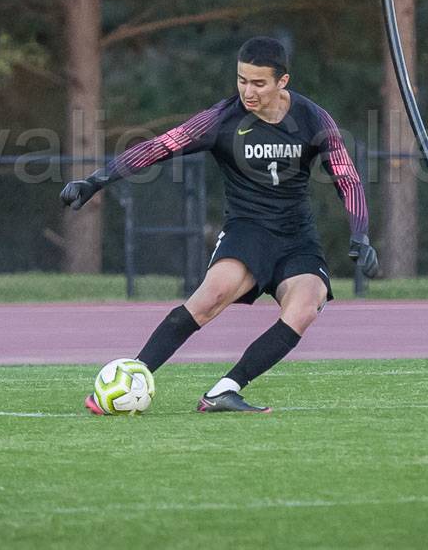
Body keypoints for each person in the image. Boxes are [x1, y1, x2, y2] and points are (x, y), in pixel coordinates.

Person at [63, 36, 379, 413]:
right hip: (246, 230)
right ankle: (133, 376)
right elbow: (160, 146)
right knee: (211, 296)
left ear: (283, 81)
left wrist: (360, 231)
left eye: (259, 83)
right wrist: (96, 180)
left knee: (307, 304)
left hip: (297, 237)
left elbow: (347, 177)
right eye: (242, 80)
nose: (248, 91)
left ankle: (225, 390)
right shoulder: (222, 119)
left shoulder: (313, 119)